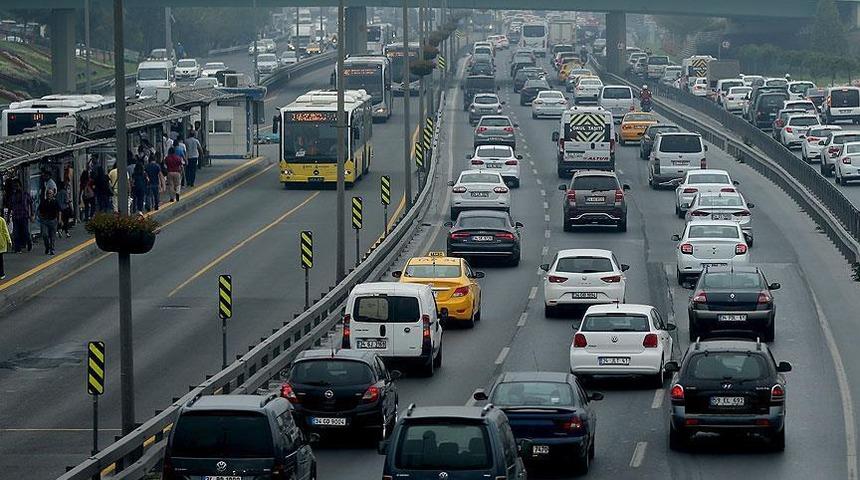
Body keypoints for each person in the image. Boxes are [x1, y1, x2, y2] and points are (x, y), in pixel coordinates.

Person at [9, 182, 32, 253]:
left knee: (25, 232)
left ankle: (29, 242)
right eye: (15, 186)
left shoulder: (25, 194)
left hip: (24, 216)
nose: (16, 188)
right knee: (16, 233)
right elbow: (10, 207)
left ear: (20, 186)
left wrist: (32, 214)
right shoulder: (13, 196)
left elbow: (31, 203)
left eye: (17, 186)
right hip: (16, 217)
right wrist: (8, 216)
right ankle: (17, 248)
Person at [38, 189, 60, 255]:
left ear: (53, 194)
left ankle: (52, 249)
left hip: (53, 220)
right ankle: (47, 247)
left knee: (52, 236)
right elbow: (39, 210)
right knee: (45, 235)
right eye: (48, 193)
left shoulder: (55, 202)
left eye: (50, 193)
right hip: (45, 221)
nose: (49, 195)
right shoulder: (43, 202)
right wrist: (40, 218)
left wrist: (59, 220)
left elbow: (59, 211)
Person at [0, 212, 10, 279]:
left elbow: (5, 231)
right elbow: (5, 231)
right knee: (0, 259)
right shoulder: (1, 220)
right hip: (1, 243)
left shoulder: (1, 220)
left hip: (1, 243)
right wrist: (9, 241)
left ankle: (1, 273)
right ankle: (1, 274)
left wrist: (9, 240)